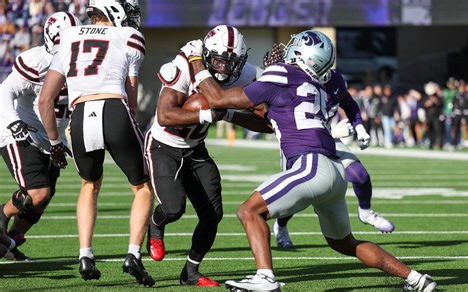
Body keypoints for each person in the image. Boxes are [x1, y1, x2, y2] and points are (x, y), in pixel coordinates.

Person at [183, 29, 437, 291]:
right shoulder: (318, 85)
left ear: (305, 56)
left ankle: (265, 277)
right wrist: (232, 113)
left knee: (249, 211)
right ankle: (417, 279)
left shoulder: (281, 75)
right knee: (344, 243)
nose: (287, 49)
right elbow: (268, 114)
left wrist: (195, 60)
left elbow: (217, 98)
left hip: (310, 165)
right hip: (334, 171)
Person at [37, 0, 155, 286]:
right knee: (143, 187)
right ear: (115, 9)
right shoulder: (128, 36)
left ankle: (85, 255)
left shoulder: (68, 36)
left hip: (80, 117)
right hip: (114, 110)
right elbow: (131, 94)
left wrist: (54, 141)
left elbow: (45, 100)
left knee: (89, 184)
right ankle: (133, 255)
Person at [144, 25, 270, 286]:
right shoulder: (184, 63)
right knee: (173, 208)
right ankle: (155, 224)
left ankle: (190, 271)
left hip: (196, 147)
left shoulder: (245, 74)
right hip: (165, 143)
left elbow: (265, 121)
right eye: (219, 61)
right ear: (207, 54)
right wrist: (207, 113)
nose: (224, 68)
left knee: (212, 214)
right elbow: (165, 116)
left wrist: (228, 112)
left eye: (230, 63)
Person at [261, 44, 395, 249]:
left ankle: (366, 212)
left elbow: (348, 104)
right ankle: (281, 226)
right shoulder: (295, 78)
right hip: (301, 144)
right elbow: (295, 121)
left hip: (329, 140)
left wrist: (359, 128)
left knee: (360, 175)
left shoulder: (334, 79)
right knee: (296, 197)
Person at [0, 12, 80, 261]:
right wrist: (13, 123)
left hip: (52, 140)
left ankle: (10, 242)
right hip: (21, 133)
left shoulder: (81, 62)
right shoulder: (36, 60)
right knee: (38, 192)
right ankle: (2, 221)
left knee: (42, 201)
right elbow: (4, 91)